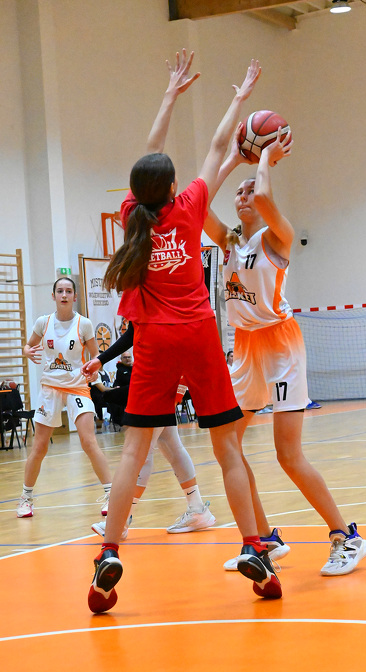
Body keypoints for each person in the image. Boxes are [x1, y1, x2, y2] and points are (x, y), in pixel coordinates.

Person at [88, 49, 282, 614]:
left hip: (152, 340)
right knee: (227, 448)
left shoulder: (133, 215)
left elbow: (149, 157)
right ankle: (254, 548)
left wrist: (168, 97)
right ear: (174, 186)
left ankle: (109, 552)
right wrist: (238, 99)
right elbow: (219, 149)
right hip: (197, 335)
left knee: (133, 452)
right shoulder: (190, 206)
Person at [203, 125, 366, 576]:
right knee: (227, 446)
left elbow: (263, 197)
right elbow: (197, 204)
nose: (244, 196)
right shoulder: (229, 241)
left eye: (248, 191)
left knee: (287, 454)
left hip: (280, 344)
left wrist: (263, 156)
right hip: (244, 347)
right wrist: (233, 161)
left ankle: (347, 537)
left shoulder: (278, 236)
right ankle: (264, 539)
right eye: (238, 193)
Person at [82, 321, 215, 538]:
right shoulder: (143, 316)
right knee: (170, 444)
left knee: (142, 450)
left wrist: (181, 383)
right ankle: (197, 508)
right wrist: (100, 359)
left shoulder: (161, 307)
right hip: (158, 377)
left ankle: (122, 520)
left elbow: (183, 337)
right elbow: (132, 333)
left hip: (164, 379)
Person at [16, 277, 113, 518]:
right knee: (39, 446)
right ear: (53, 296)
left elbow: (96, 356)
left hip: (77, 387)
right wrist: (28, 352)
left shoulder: (84, 324)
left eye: (69, 291)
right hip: (50, 388)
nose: (64, 295)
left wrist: (95, 371)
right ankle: (26, 498)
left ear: (74, 296)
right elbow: (28, 346)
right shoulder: (43, 322)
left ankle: (111, 495)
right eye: (60, 291)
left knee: (88, 442)